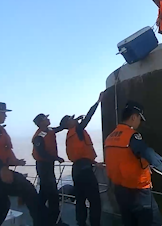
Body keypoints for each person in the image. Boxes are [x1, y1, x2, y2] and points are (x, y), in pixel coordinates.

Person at [104, 101, 162, 226]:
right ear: (133, 117)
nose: (139, 123)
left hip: (120, 191)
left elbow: (124, 158)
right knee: (153, 222)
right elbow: (147, 152)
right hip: (138, 193)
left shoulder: (109, 138)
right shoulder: (131, 136)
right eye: (139, 119)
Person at [60, 92, 103, 226]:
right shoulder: (77, 129)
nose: (75, 119)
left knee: (80, 199)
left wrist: (94, 162)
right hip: (85, 171)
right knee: (95, 200)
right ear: (69, 123)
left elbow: (80, 153)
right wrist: (97, 102)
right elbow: (88, 117)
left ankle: (81, 223)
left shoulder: (70, 134)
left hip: (77, 170)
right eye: (72, 119)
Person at [32, 113, 67, 225]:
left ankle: (41, 217)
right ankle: (55, 221)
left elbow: (59, 128)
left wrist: (71, 120)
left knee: (45, 193)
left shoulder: (48, 130)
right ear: (41, 122)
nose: (48, 119)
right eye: (45, 118)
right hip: (43, 166)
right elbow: (41, 152)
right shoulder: (39, 136)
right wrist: (56, 158)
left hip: (48, 166)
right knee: (52, 194)